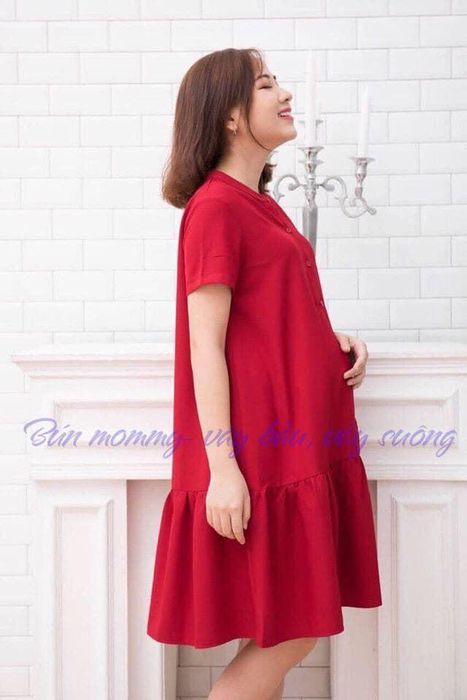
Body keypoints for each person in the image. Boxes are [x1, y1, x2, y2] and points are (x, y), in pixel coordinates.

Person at [147, 47, 382, 700]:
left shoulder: (260, 205)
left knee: (283, 622)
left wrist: (325, 339)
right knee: (294, 631)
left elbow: (261, 316)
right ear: (228, 114)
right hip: (259, 453)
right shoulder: (216, 208)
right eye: (266, 85)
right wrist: (222, 469)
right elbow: (204, 345)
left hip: (294, 443)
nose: (285, 95)